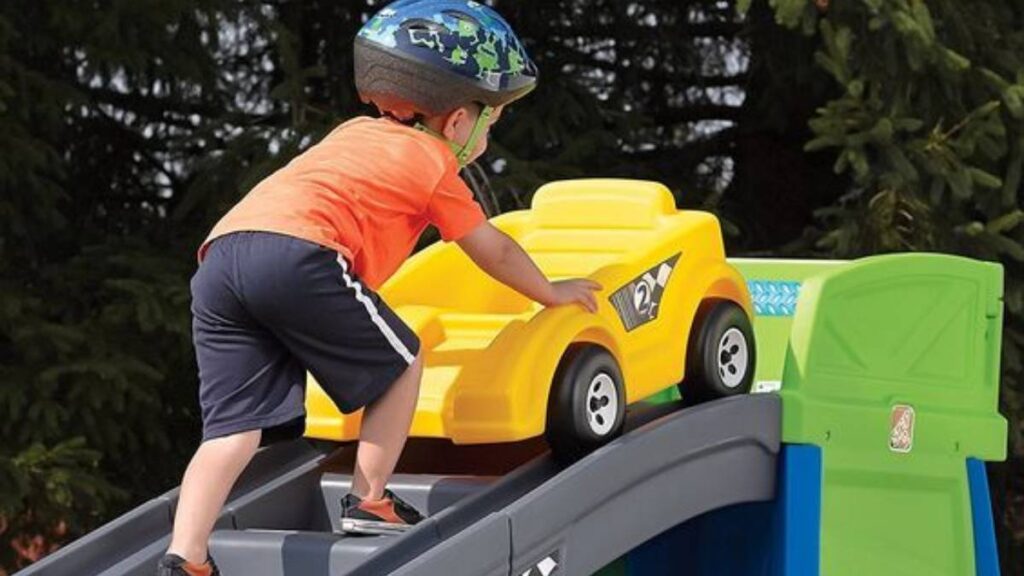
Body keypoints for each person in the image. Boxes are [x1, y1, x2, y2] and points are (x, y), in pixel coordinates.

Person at [157, 1, 600, 574]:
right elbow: (493, 249)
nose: (491, 132)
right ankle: (368, 499)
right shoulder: (435, 162)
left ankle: (184, 558)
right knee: (403, 363)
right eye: (492, 119)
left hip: (220, 259)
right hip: (300, 252)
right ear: (459, 122)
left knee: (232, 430)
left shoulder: (353, 134)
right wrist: (550, 292)